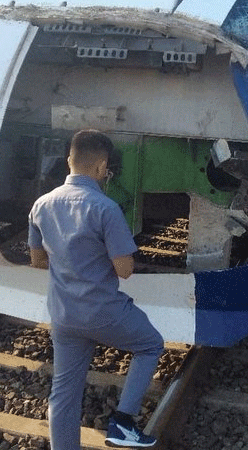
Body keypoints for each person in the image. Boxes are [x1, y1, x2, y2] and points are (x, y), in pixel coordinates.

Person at [28, 129, 163, 450]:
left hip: (63, 314)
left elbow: (37, 261)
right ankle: (123, 422)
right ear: (102, 167)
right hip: (103, 312)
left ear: (69, 161)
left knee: (64, 391)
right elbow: (125, 271)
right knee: (150, 345)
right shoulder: (105, 208)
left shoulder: (41, 205)